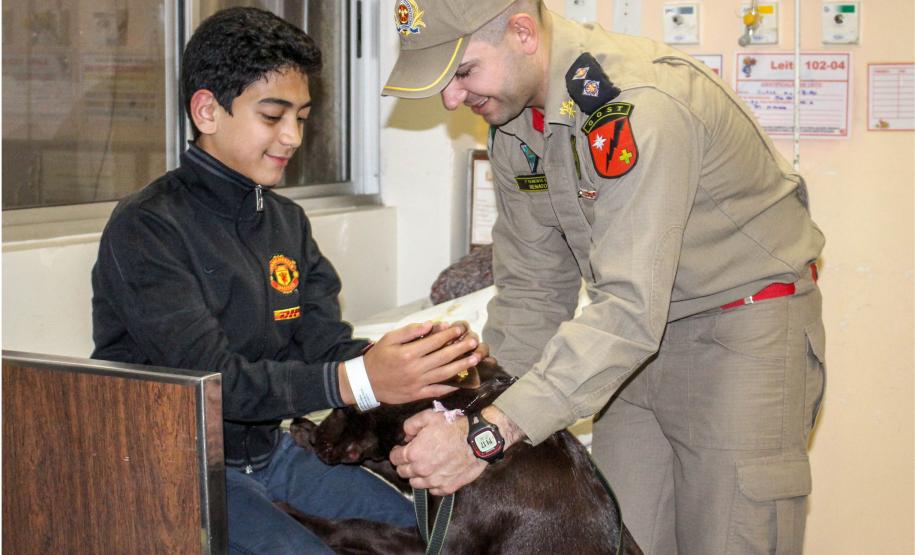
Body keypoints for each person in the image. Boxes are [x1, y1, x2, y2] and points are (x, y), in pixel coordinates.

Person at [382, 1, 826, 553]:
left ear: (522, 32)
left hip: (740, 333)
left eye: (463, 72)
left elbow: (630, 308)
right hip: (630, 348)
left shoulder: (636, 105)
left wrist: (486, 437)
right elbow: (532, 289)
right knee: (615, 538)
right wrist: (465, 413)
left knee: (730, 538)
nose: (452, 99)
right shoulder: (515, 125)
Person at [90, 7, 485, 554]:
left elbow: (326, 344)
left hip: (270, 453)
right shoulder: (148, 227)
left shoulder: (284, 222)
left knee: (430, 538)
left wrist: (423, 363)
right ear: (207, 110)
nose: (293, 136)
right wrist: (360, 382)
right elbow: (213, 383)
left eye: (302, 116)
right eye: (273, 116)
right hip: (178, 472)